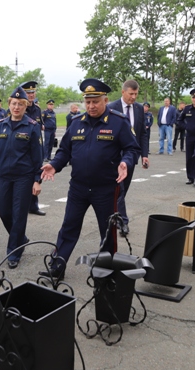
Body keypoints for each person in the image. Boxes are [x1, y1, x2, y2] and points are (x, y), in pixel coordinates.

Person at [38, 78, 140, 280]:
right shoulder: (77, 123)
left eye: (96, 102)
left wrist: (126, 163)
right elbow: (65, 151)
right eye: (88, 102)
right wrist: (54, 165)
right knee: (69, 226)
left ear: (105, 100)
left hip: (106, 188)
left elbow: (132, 148)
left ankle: (107, 268)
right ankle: (57, 266)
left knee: (108, 230)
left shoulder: (118, 122)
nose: (91, 106)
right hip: (78, 188)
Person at [0, 86, 43, 269]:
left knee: (19, 215)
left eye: (20, 104)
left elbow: (38, 156)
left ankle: (14, 251)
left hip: (24, 177)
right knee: (4, 212)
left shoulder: (32, 127)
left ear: (26, 106)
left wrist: (37, 179)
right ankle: (21, 238)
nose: (16, 107)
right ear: (8, 105)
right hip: (4, 176)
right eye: (13, 104)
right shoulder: (0, 125)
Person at [107, 79, 149, 236]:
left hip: (131, 155)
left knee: (123, 190)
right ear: (123, 92)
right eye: (131, 94)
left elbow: (143, 134)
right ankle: (122, 221)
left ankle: (114, 215)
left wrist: (144, 155)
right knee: (119, 188)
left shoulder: (139, 109)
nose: (133, 97)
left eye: (136, 94)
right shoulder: (111, 108)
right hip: (115, 156)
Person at [21, 81, 46, 216]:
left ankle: (33, 205)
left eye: (32, 92)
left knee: (36, 174)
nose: (31, 95)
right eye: (28, 92)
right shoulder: (19, 107)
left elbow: (40, 125)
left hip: (36, 146)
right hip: (23, 148)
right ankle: (23, 205)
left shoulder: (37, 109)